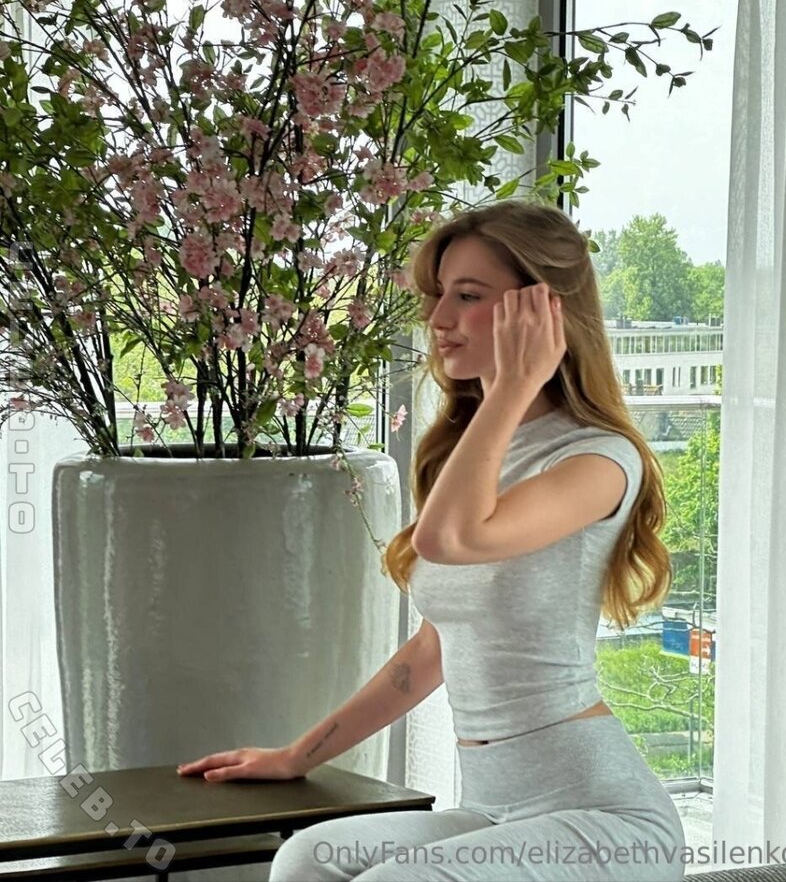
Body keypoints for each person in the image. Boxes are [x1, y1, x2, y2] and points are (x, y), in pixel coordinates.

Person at [177, 199, 687, 881]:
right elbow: (429, 650)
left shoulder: (597, 459)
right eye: (438, 294)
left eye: (468, 296)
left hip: (602, 817)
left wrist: (514, 385)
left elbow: (450, 539)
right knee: (305, 860)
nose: (439, 318)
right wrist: (297, 755)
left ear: (542, 312)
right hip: (493, 809)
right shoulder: (476, 455)